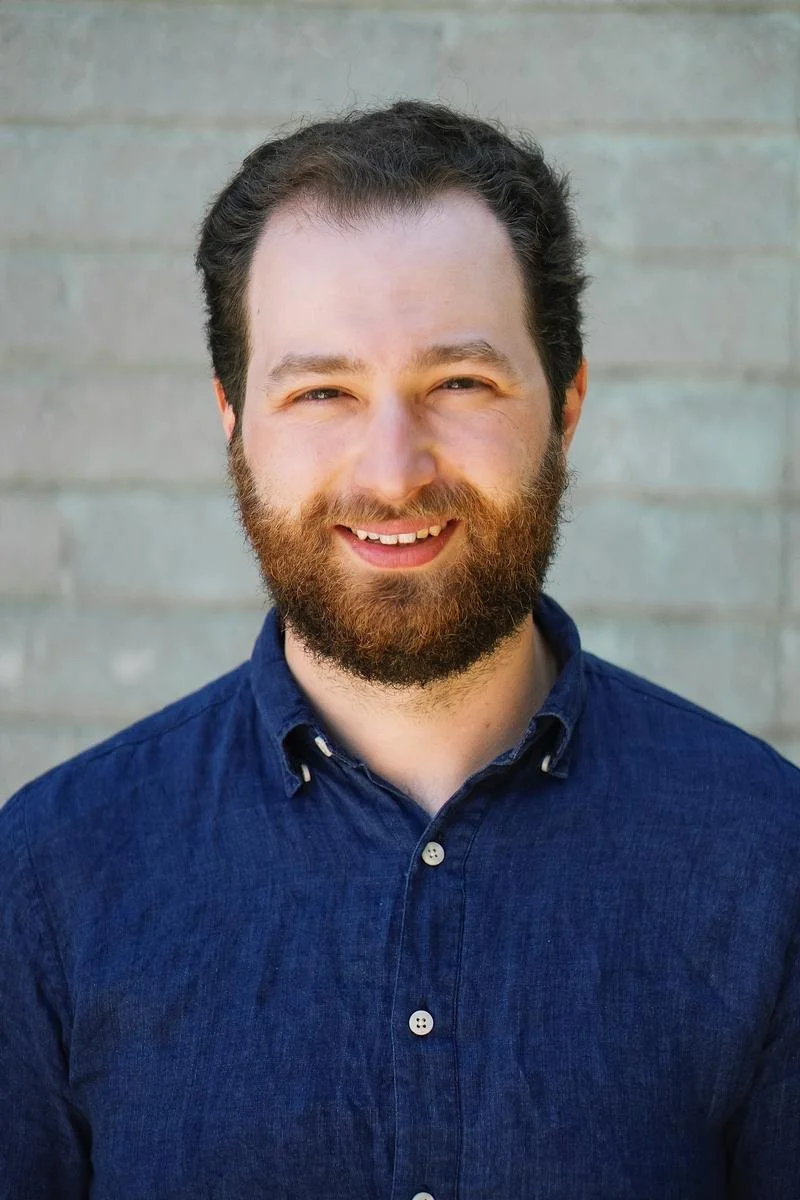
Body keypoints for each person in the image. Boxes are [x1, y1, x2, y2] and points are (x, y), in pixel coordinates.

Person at [1, 100, 798, 1200]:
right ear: (233, 419)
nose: (391, 471)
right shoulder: (47, 876)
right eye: (321, 391)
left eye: (458, 385)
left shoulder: (769, 856)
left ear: (563, 405)